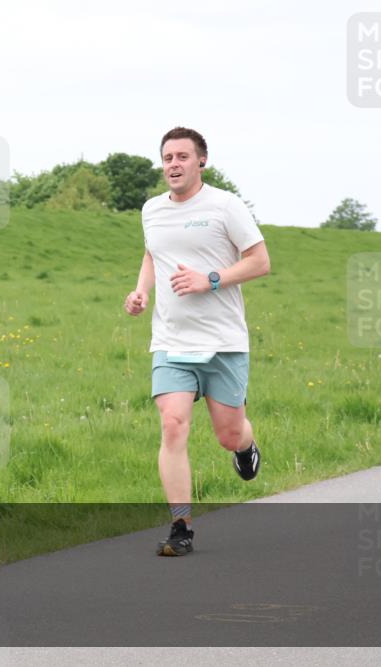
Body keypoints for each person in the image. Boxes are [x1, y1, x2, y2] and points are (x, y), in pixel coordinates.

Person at [124, 126, 271, 557]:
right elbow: (152, 253)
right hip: (171, 340)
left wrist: (212, 279)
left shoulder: (225, 205)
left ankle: (245, 445)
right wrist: (141, 291)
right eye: (168, 157)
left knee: (228, 434)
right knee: (172, 424)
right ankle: (181, 527)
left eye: (182, 156)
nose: (173, 164)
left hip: (223, 341)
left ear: (201, 161)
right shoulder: (152, 209)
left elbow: (260, 261)